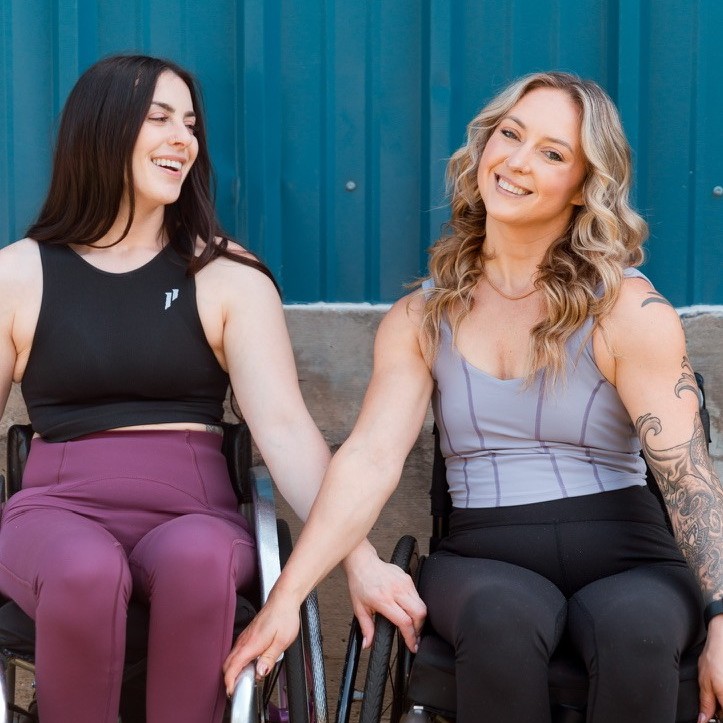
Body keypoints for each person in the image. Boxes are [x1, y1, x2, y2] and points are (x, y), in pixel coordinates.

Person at [224, 71, 723, 722]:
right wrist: (287, 596)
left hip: (628, 549)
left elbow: (687, 478)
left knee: (640, 632)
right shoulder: (420, 318)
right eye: (509, 135)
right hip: (486, 551)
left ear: (583, 185)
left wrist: (721, 614)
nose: (516, 161)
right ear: (482, 147)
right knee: (498, 620)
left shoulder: (626, 308)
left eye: (551, 152)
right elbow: (370, 459)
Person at [0, 54, 420, 723]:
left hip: (193, 511)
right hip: (57, 510)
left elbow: (284, 431)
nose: (183, 139)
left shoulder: (226, 274)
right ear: (101, 129)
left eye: (190, 124)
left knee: (198, 560)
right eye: (159, 118)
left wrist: (357, 557)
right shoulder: (18, 276)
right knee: (84, 570)